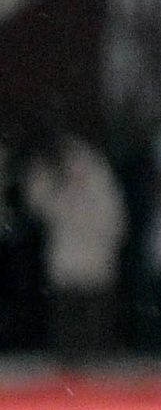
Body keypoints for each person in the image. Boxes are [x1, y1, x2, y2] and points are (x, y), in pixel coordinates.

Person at [23, 129, 127, 364]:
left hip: (96, 266)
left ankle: (93, 365)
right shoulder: (57, 184)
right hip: (65, 265)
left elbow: (114, 221)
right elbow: (38, 206)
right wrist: (46, 177)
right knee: (67, 327)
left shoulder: (100, 180)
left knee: (95, 328)